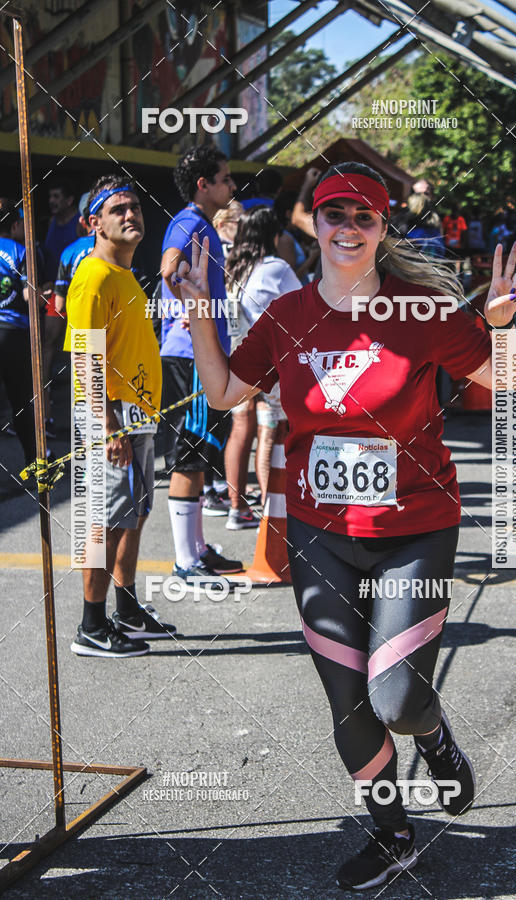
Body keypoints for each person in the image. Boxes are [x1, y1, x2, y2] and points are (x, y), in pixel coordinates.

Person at [181, 160, 516, 890]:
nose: (348, 227)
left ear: (381, 227)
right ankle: (392, 832)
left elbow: (511, 381)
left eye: (363, 216)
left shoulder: (424, 311)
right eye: (334, 213)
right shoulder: (287, 316)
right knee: (348, 703)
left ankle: (433, 736)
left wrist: (501, 327)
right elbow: (222, 392)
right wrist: (200, 315)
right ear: (314, 222)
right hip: (319, 534)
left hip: (416, 529)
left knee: (396, 699)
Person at [64, 174, 175, 658]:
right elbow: (85, 358)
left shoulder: (124, 274)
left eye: (135, 207)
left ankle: (126, 610)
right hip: (109, 418)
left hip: (137, 414)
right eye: (118, 210)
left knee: (133, 516)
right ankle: (91, 626)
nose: (131, 215)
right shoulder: (93, 276)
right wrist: (108, 426)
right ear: (95, 223)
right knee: (102, 521)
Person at [159, 145, 242, 577]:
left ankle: (196, 548)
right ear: (203, 184)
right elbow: (168, 268)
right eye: (225, 179)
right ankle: (186, 562)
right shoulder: (189, 222)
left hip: (201, 355)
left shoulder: (200, 224)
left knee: (201, 450)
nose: (232, 185)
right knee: (189, 453)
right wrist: (191, 310)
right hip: (191, 355)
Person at [224, 205, 301, 524]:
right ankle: (273, 516)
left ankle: (237, 508)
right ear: (274, 236)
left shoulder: (233, 268)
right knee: (271, 434)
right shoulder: (277, 268)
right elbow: (303, 307)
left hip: (238, 363)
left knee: (240, 431)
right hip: (272, 368)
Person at [0, 202, 38, 465]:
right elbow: (28, 296)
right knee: (22, 401)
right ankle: (34, 462)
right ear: (14, 225)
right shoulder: (20, 251)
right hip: (14, 334)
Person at [43, 178, 80, 438]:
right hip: (55, 292)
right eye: (51, 197)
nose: (52, 201)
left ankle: (84, 408)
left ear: (69, 200)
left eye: (57, 196)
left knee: (79, 346)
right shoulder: (52, 224)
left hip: (77, 292)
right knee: (47, 341)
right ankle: (44, 406)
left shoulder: (79, 223)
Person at [53, 192, 95, 312]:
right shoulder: (119, 247)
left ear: (82, 221)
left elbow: (59, 305)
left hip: (81, 320)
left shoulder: (69, 252)